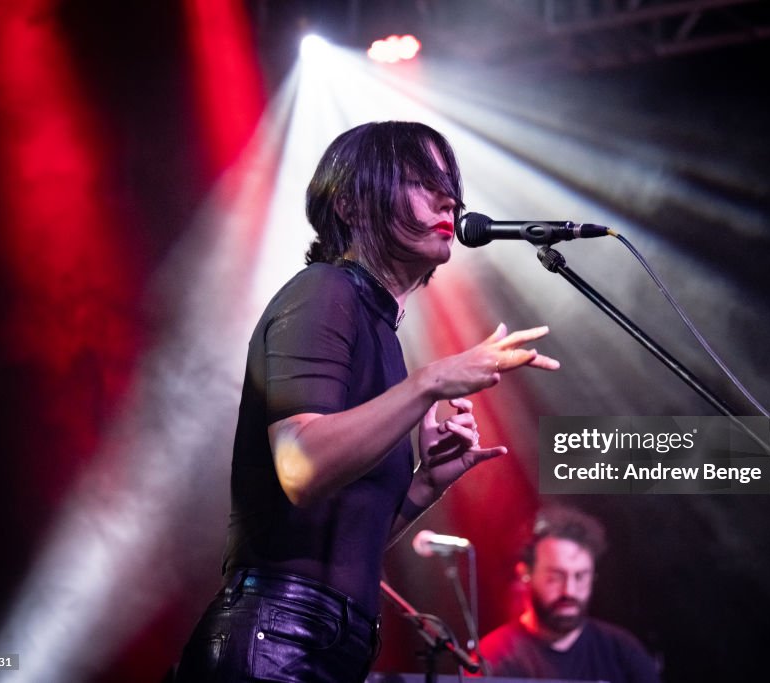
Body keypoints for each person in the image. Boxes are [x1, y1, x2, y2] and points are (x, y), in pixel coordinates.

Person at [174, 121, 560, 683]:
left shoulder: (381, 332)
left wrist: (427, 483)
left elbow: (347, 547)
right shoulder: (325, 290)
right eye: (419, 181)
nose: (448, 197)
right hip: (275, 641)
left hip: (326, 644)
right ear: (352, 204)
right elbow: (300, 467)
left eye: (448, 183)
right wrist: (429, 382)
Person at [477, 506, 661, 682]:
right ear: (526, 573)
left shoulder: (622, 650)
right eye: (555, 577)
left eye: (580, 576)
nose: (569, 590)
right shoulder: (496, 655)